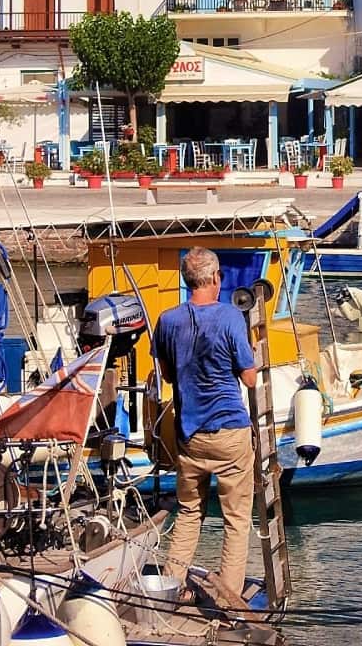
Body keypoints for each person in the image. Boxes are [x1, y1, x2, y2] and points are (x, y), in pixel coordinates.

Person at [151, 247, 257, 600]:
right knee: (236, 521)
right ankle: (229, 599)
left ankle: (171, 586)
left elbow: (166, 374)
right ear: (215, 278)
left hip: (190, 435)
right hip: (229, 431)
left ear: (186, 280)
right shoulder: (230, 318)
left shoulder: (166, 320)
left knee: (189, 512)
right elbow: (251, 378)